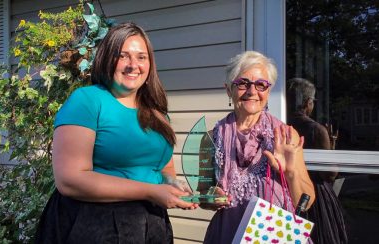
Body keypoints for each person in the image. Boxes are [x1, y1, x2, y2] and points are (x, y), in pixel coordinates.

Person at [35, 22, 197, 244]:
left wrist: (171, 183)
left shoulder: (157, 113)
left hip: (151, 223)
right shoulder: (87, 101)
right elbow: (70, 180)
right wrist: (151, 191)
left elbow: (163, 166)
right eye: (123, 56)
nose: (133, 65)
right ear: (107, 59)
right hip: (94, 223)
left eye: (142, 57)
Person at [202, 51, 315, 244]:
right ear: (229, 89)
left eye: (261, 84)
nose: (252, 91)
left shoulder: (286, 136)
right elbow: (203, 193)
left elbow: (307, 201)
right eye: (243, 83)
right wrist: (212, 197)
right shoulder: (210, 139)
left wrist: (290, 174)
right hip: (226, 234)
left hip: (273, 234)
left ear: (268, 92)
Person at [287, 78, 348, 244]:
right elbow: (330, 175)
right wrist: (332, 148)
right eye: (312, 102)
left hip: (288, 192)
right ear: (307, 102)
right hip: (316, 197)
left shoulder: (281, 125)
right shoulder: (317, 130)